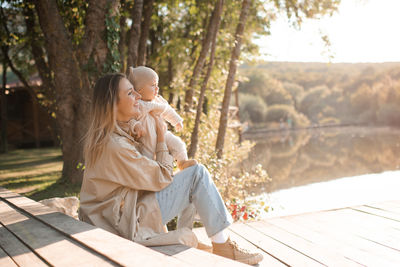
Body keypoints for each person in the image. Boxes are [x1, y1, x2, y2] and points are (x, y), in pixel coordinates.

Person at [79, 73, 263, 265]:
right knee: (196, 175)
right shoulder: (115, 146)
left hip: (118, 215)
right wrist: (161, 136)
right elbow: (162, 177)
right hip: (125, 223)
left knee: (190, 178)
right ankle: (223, 246)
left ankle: (215, 241)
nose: (138, 97)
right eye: (130, 93)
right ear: (113, 104)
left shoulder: (109, 137)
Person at [125, 66, 196, 170]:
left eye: (157, 85)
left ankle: (182, 161)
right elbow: (129, 119)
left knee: (177, 143)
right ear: (140, 90)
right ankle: (153, 173)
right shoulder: (136, 104)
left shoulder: (158, 101)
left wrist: (176, 120)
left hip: (163, 134)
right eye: (153, 85)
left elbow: (167, 110)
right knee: (147, 157)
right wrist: (136, 125)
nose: (157, 89)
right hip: (145, 139)